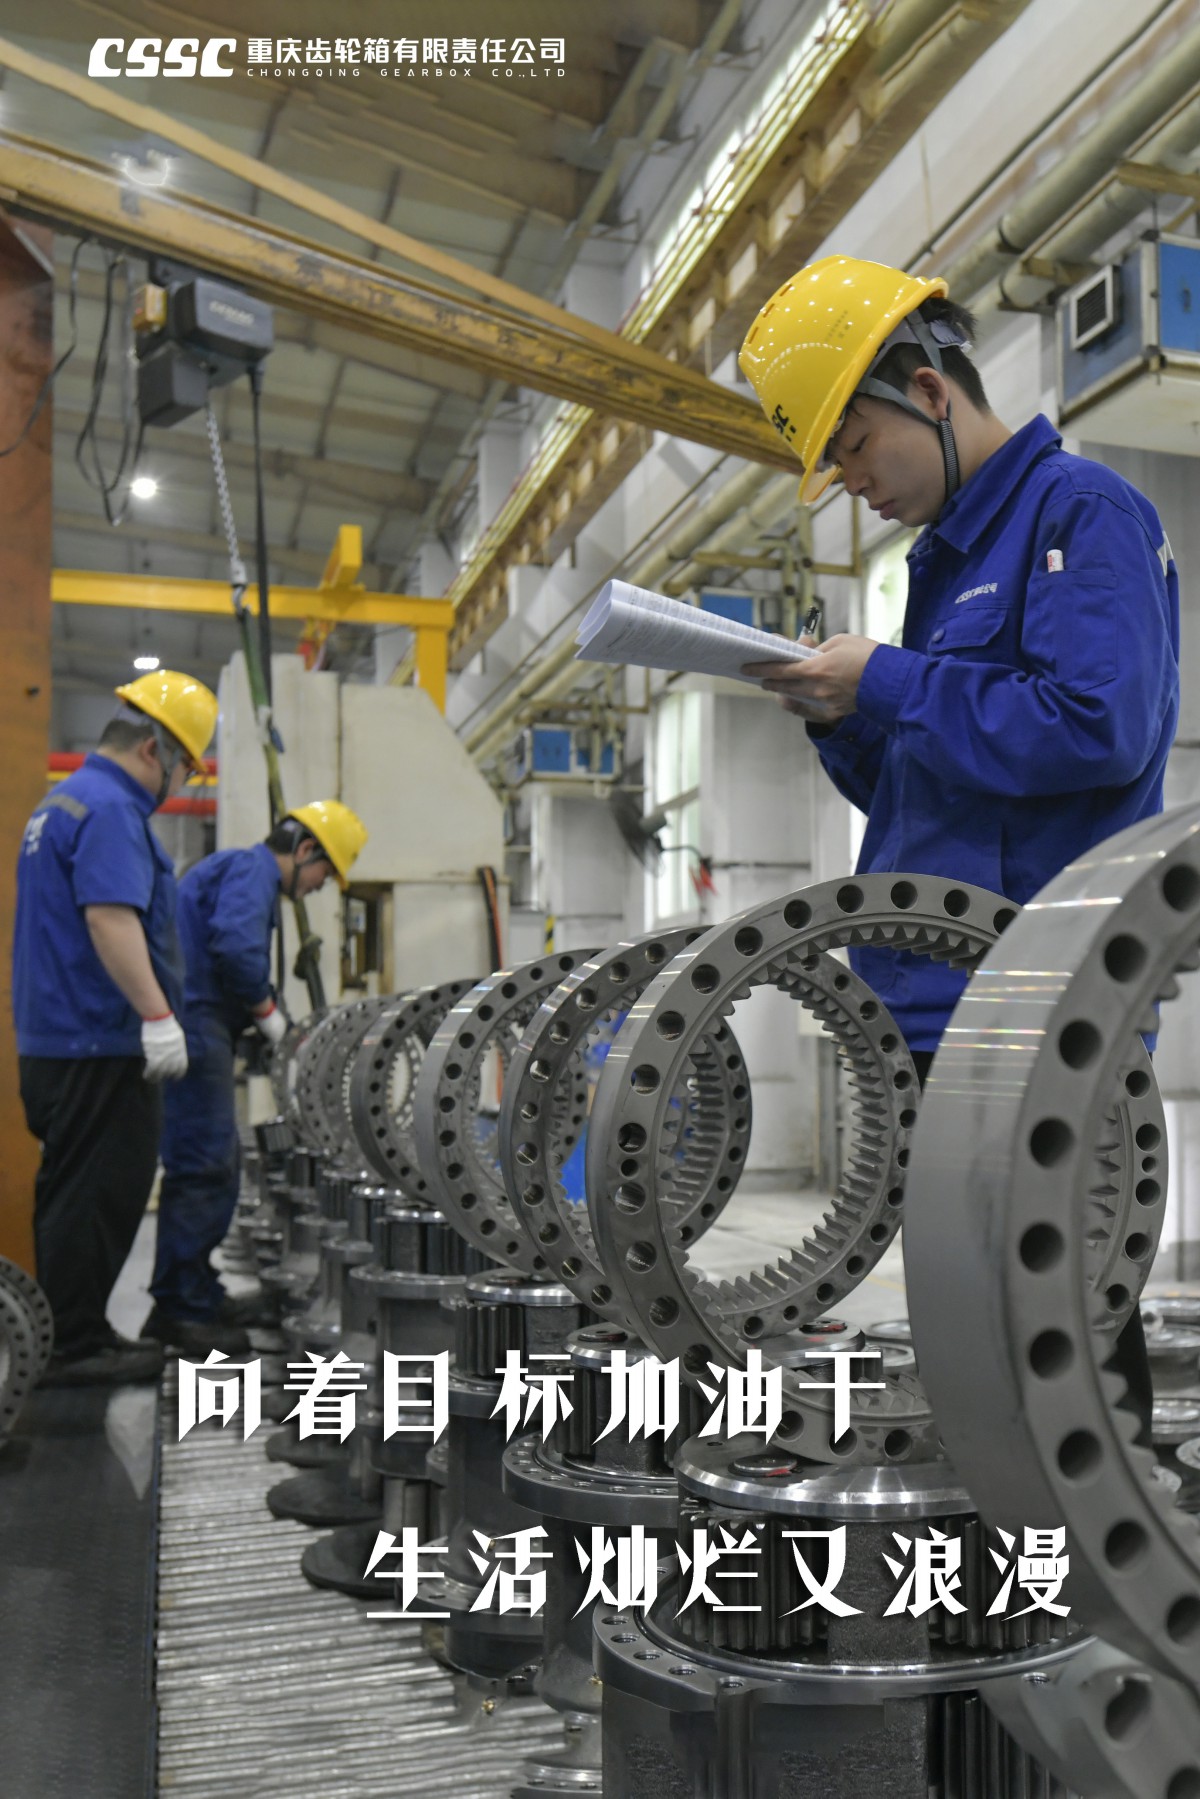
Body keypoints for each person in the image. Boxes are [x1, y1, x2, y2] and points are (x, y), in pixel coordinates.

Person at [738, 253, 1179, 1434]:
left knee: (1061, 1330)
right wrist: (842, 718)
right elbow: (932, 780)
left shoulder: (1080, 512)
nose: (852, 482)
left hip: (1041, 1002)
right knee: (976, 1328)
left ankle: (1097, 1541)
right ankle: (1007, 1534)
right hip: (932, 1005)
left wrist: (887, 677)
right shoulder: (944, 560)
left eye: (853, 445)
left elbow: (1098, 726)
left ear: (929, 390)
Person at [14, 670, 219, 1385]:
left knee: (79, 1189)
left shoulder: (65, 800)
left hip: (61, 1039)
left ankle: (78, 1328)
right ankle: (73, 1346)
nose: (179, 783)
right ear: (154, 749)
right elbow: (109, 917)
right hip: (96, 1039)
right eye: (185, 767)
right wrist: (159, 1018)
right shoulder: (109, 809)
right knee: (97, 1193)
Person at [143, 800, 368, 1356]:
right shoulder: (252, 870)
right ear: (305, 849)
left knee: (210, 1162)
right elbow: (237, 949)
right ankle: (180, 1309)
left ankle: (195, 1292)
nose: (318, 888)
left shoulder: (240, 870)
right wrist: (271, 1017)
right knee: (205, 1164)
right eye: (324, 873)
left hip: (205, 1025)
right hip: (198, 1025)